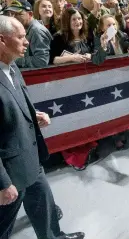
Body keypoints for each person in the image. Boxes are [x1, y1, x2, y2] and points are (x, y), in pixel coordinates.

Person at [0, 15, 85, 239]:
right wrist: (3, 183)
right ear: (1, 40)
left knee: (43, 203)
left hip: (29, 157)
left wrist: (32, 115)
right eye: (20, 37)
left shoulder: (11, 66)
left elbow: (12, 105)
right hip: (9, 171)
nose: (27, 42)